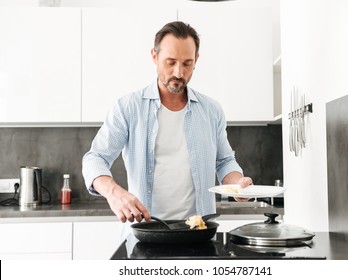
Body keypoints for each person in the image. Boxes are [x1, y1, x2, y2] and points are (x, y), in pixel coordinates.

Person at [82, 21, 252, 226]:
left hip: (198, 231)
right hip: (144, 231)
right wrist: (113, 193)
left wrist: (237, 184)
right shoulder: (128, 108)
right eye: (170, 62)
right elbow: (95, 158)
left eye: (187, 63)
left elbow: (224, 161)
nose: (179, 73)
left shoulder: (211, 110)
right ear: (154, 56)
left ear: (196, 59)